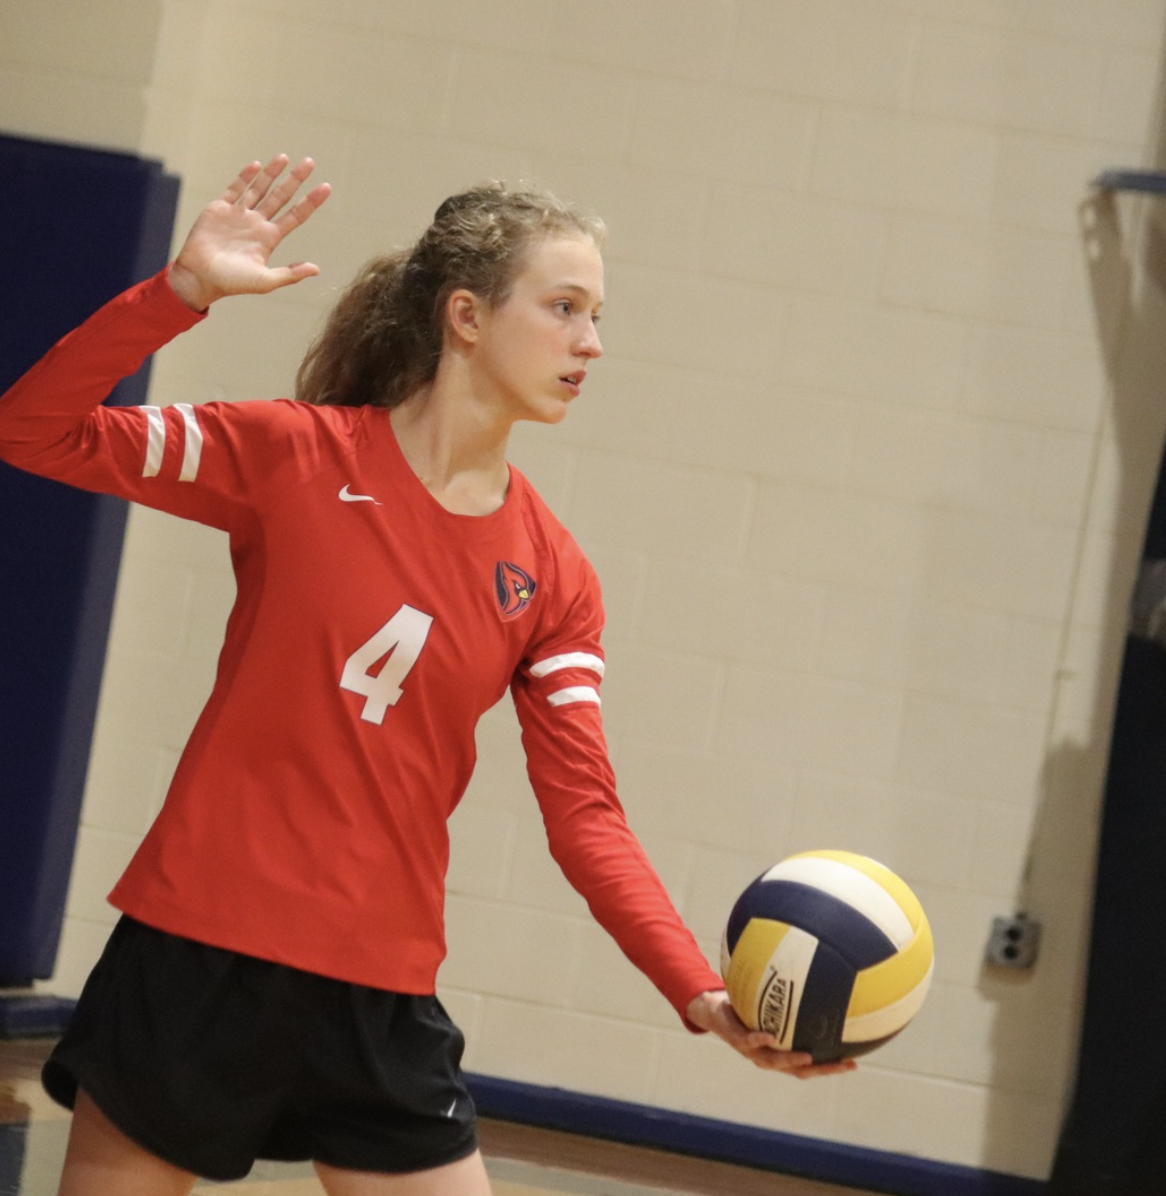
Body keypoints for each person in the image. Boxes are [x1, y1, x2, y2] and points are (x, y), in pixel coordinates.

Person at [0, 155, 855, 1196]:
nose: (592, 342)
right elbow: (31, 428)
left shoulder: (552, 574)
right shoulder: (290, 453)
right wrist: (178, 295)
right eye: (565, 307)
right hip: (197, 956)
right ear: (465, 315)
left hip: (378, 989)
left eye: (597, 315)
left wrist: (696, 990)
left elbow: (585, 815)